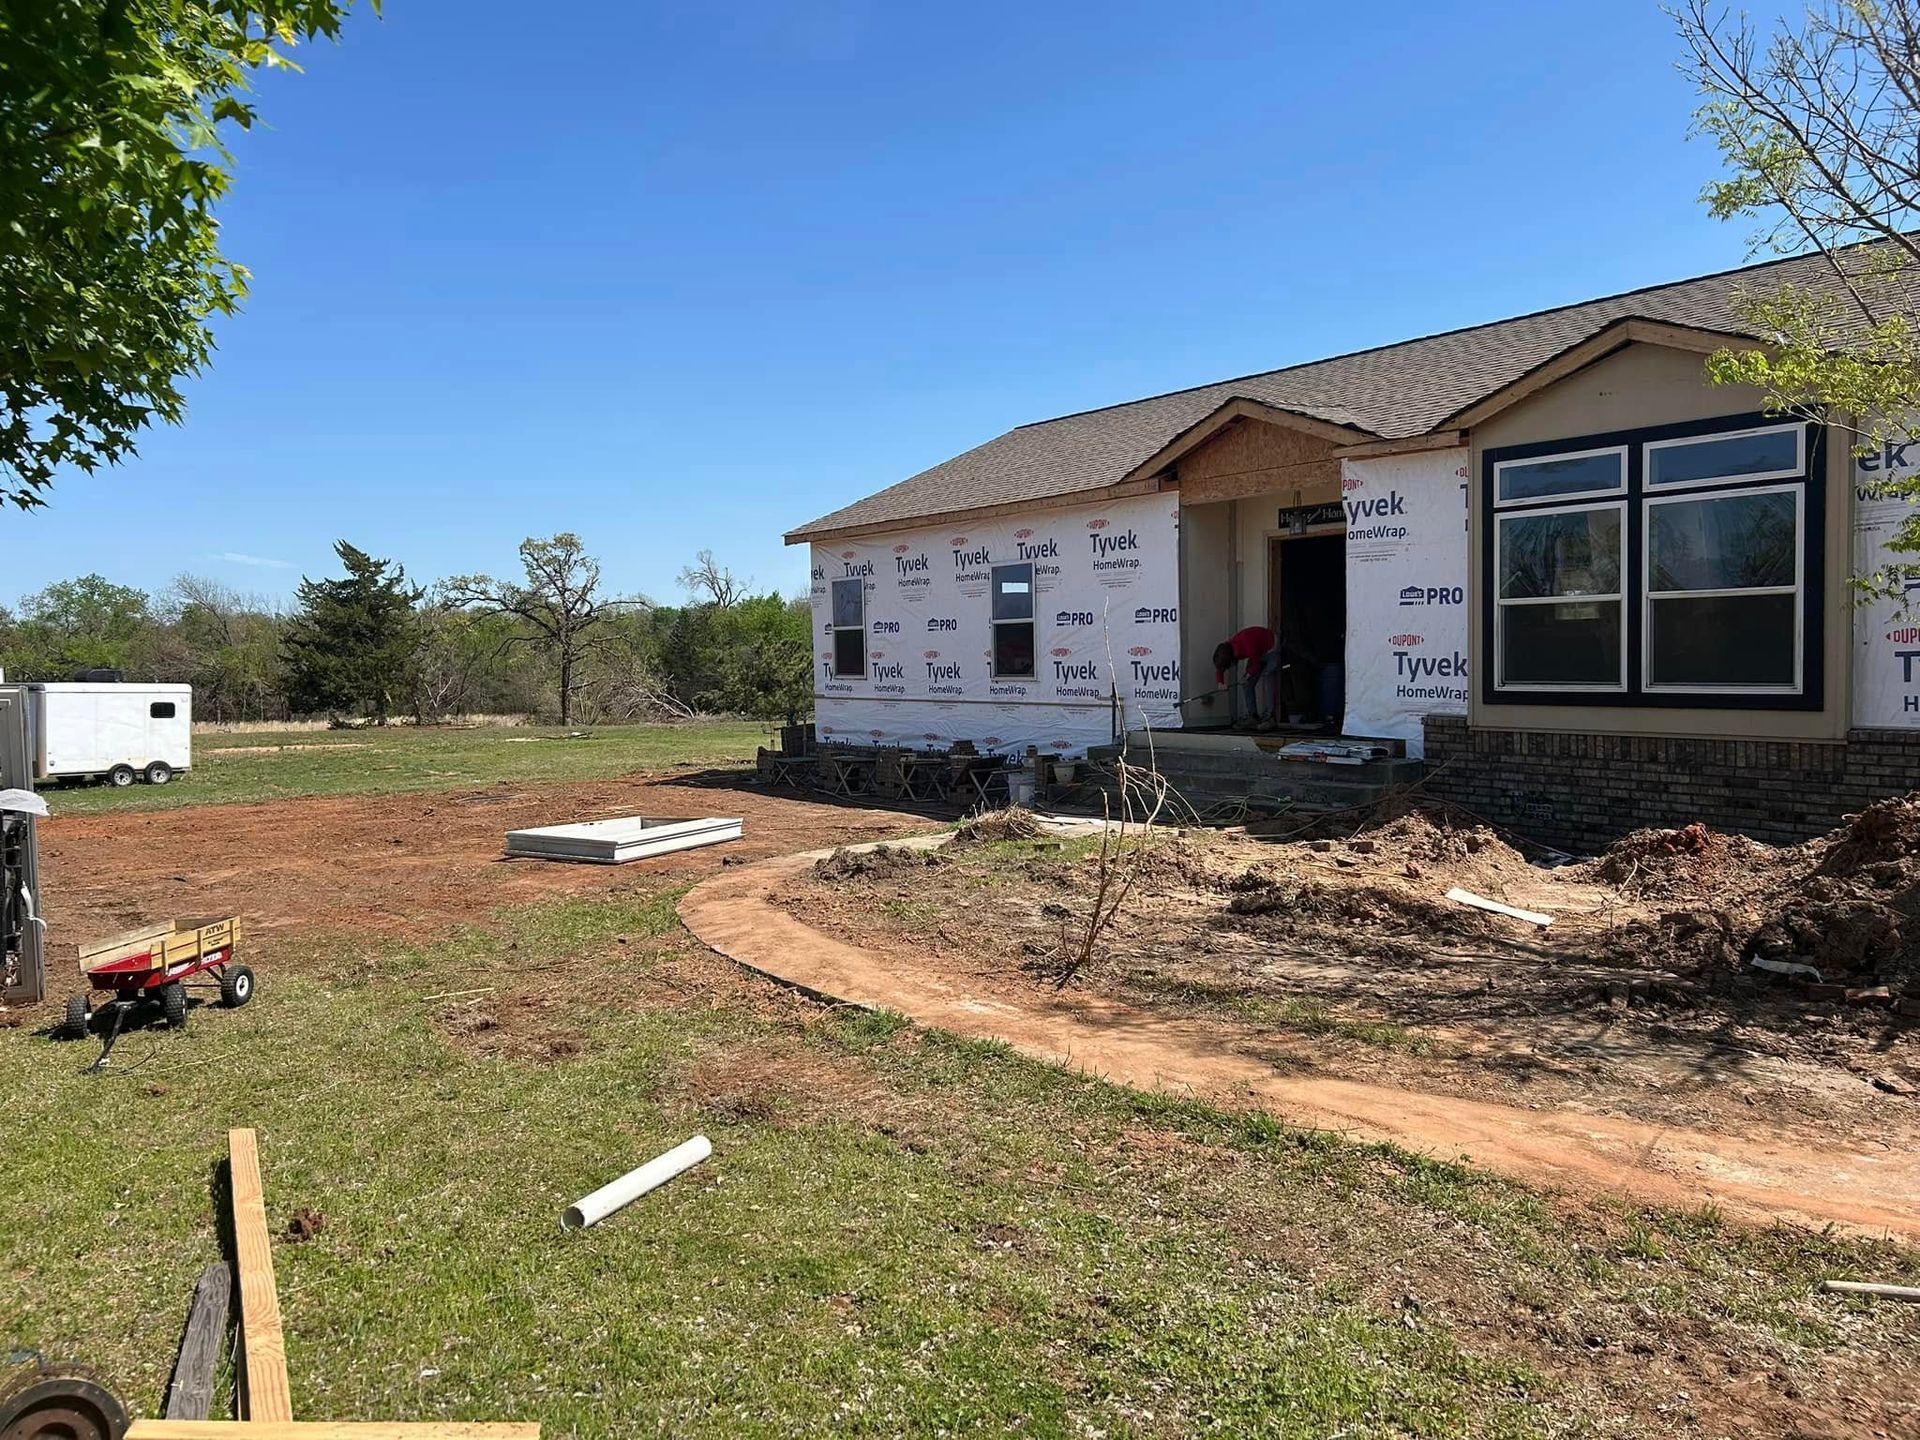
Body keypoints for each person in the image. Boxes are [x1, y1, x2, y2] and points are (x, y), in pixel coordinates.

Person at [1212, 625, 1280, 729]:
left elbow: (1256, 663)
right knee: (1247, 684)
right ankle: (1253, 716)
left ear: (1231, 659)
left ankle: (1270, 717)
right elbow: (1220, 668)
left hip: (1271, 647)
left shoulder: (1246, 644)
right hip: (1258, 651)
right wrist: (1220, 683)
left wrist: (1247, 675)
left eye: (1229, 666)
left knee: (1268, 678)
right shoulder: (1228, 650)